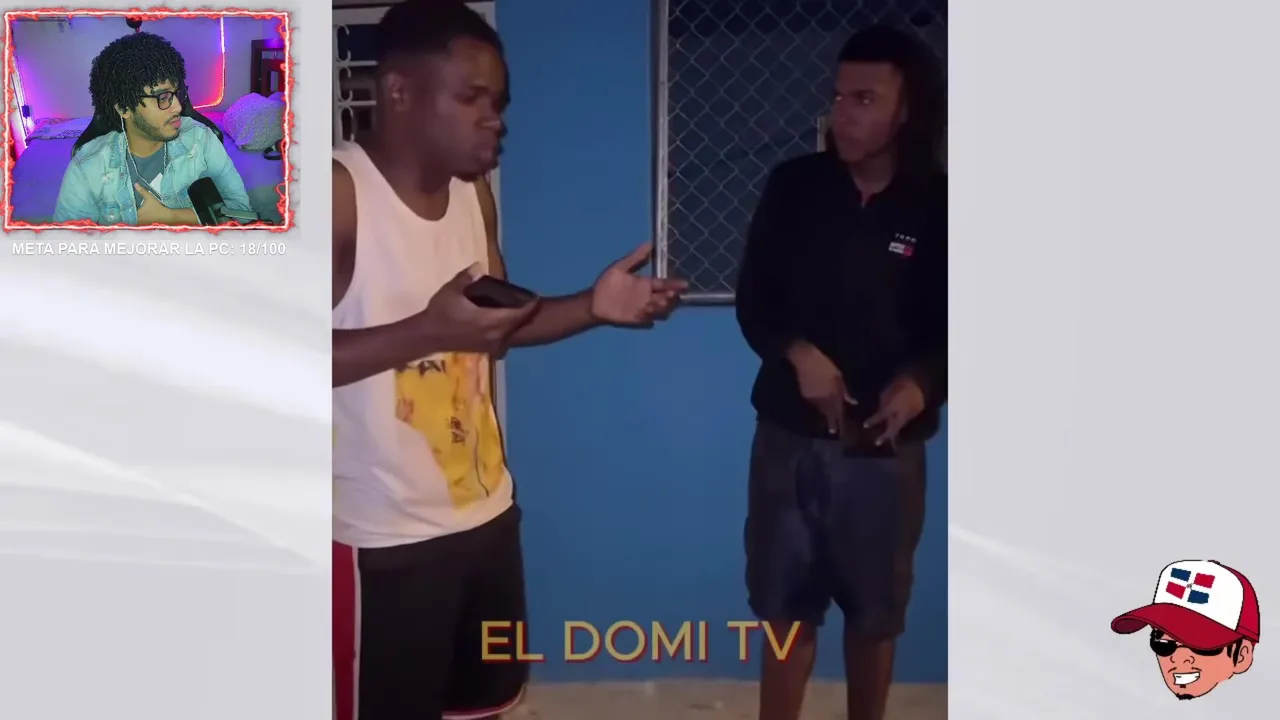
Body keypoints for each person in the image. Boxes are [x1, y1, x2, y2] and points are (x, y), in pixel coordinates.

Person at [330, 2, 686, 719]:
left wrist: (593, 306)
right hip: (381, 544)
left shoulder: (473, 198)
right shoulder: (339, 197)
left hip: (488, 518)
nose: (494, 120)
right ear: (398, 91)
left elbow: (490, 333)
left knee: (483, 709)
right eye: (472, 98)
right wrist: (428, 331)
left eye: (498, 103)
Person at [734, 25, 947, 720]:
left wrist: (921, 384)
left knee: (875, 614)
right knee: (783, 607)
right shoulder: (794, 187)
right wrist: (798, 354)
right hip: (788, 439)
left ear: (907, 111)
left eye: (865, 99)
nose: (842, 114)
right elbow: (755, 301)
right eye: (838, 96)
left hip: (885, 448)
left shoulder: (939, 204)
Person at [53, 32, 252, 226]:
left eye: (177, 93)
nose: (178, 107)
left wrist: (172, 217)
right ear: (124, 108)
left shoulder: (201, 141)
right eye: (162, 97)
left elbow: (242, 213)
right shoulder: (87, 168)